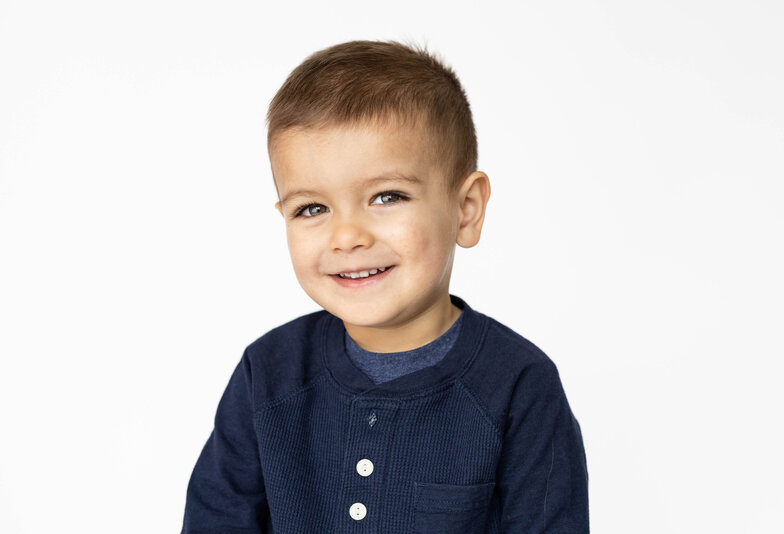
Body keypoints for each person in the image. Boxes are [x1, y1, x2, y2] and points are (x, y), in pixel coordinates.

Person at [181, 40, 588, 533]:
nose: (347, 236)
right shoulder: (267, 374)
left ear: (466, 209)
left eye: (386, 196)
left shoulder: (519, 386)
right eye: (312, 208)